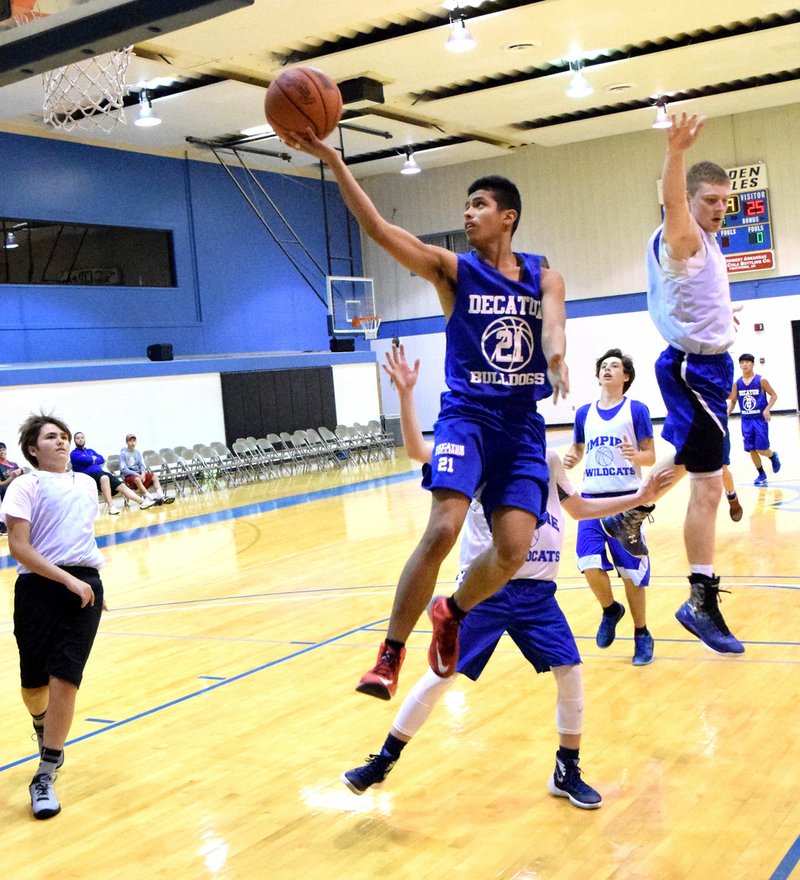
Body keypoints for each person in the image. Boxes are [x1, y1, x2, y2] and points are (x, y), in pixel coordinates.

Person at [285, 130, 569, 700]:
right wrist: (335, 158)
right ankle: (390, 652)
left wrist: (558, 359)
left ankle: (453, 610)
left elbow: (554, 322)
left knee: (513, 550)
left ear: (507, 216)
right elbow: (379, 231)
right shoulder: (452, 270)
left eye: (479, 205)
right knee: (444, 527)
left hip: (520, 425)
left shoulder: (543, 275)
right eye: (466, 205)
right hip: (466, 417)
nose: (467, 213)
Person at [341, 346, 667, 806]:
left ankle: (566, 770)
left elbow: (579, 509)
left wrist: (639, 494)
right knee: (439, 676)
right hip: (483, 595)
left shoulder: (546, 461)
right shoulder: (472, 456)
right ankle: (383, 760)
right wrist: (406, 395)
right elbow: (418, 450)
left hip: (537, 593)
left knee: (571, 671)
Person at [604, 113, 744, 654]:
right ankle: (700, 598)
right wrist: (675, 153)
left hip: (704, 366)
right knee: (709, 484)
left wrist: (726, 322)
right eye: (709, 200)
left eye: (724, 201)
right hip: (693, 369)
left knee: (688, 460)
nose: (719, 208)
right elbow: (674, 201)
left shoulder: (707, 244)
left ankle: (630, 513)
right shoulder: (680, 236)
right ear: (687, 200)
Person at [0, 413, 105, 820]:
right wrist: (67, 581)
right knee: (34, 684)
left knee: (66, 675)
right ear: (32, 448)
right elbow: (20, 549)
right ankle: (42, 724)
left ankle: (45, 772)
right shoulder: (25, 485)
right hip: (39, 587)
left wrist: (91, 581)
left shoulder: (87, 483)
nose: (61, 442)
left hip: (83, 585)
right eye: (51, 437)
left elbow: (81, 536)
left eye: (64, 436)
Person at [563, 349, 656, 666]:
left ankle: (641, 633)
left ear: (626, 376)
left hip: (627, 500)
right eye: (604, 365)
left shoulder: (636, 410)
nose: (608, 369)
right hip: (591, 500)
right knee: (588, 563)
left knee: (632, 574)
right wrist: (571, 459)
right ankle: (610, 609)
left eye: (615, 366)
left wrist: (636, 456)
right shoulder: (584, 413)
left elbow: (650, 456)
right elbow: (577, 449)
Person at [70, 432, 156, 514]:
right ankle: (112, 507)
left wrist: (92, 459)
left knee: (121, 485)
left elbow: (101, 459)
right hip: (87, 476)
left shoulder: (90, 451)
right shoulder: (74, 454)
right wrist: (92, 459)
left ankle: (142, 502)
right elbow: (85, 460)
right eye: (78, 438)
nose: (80, 439)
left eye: (82, 437)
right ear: (74, 440)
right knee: (104, 478)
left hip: (99, 472)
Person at [728, 353, 780, 486]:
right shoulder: (737, 383)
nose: (744, 364)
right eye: (742, 362)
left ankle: (772, 456)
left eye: (747, 362)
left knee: (762, 449)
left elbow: (774, 395)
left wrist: (767, 409)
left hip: (759, 419)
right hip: (746, 420)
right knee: (751, 449)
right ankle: (761, 473)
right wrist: (727, 413)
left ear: (752, 364)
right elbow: (733, 400)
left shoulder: (761, 380)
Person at [119, 434, 173, 505]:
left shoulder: (137, 452)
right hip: (129, 475)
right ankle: (151, 498)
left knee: (154, 477)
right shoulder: (123, 454)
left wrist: (143, 474)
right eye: (130, 441)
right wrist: (137, 474)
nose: (132, 443)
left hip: (139, 473)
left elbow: (141, 465)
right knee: (137, 479)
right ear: (127, 442)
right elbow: (123, 469)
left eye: (134, 441)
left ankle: (162, 496)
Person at [0, 441, 30, 534]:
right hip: (5, 495)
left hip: (17, 494)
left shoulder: (13, 464)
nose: (2, 452)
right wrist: (12, 477)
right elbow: (1, 484)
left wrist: (22, 470)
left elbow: (24, 473)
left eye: (3, 449)